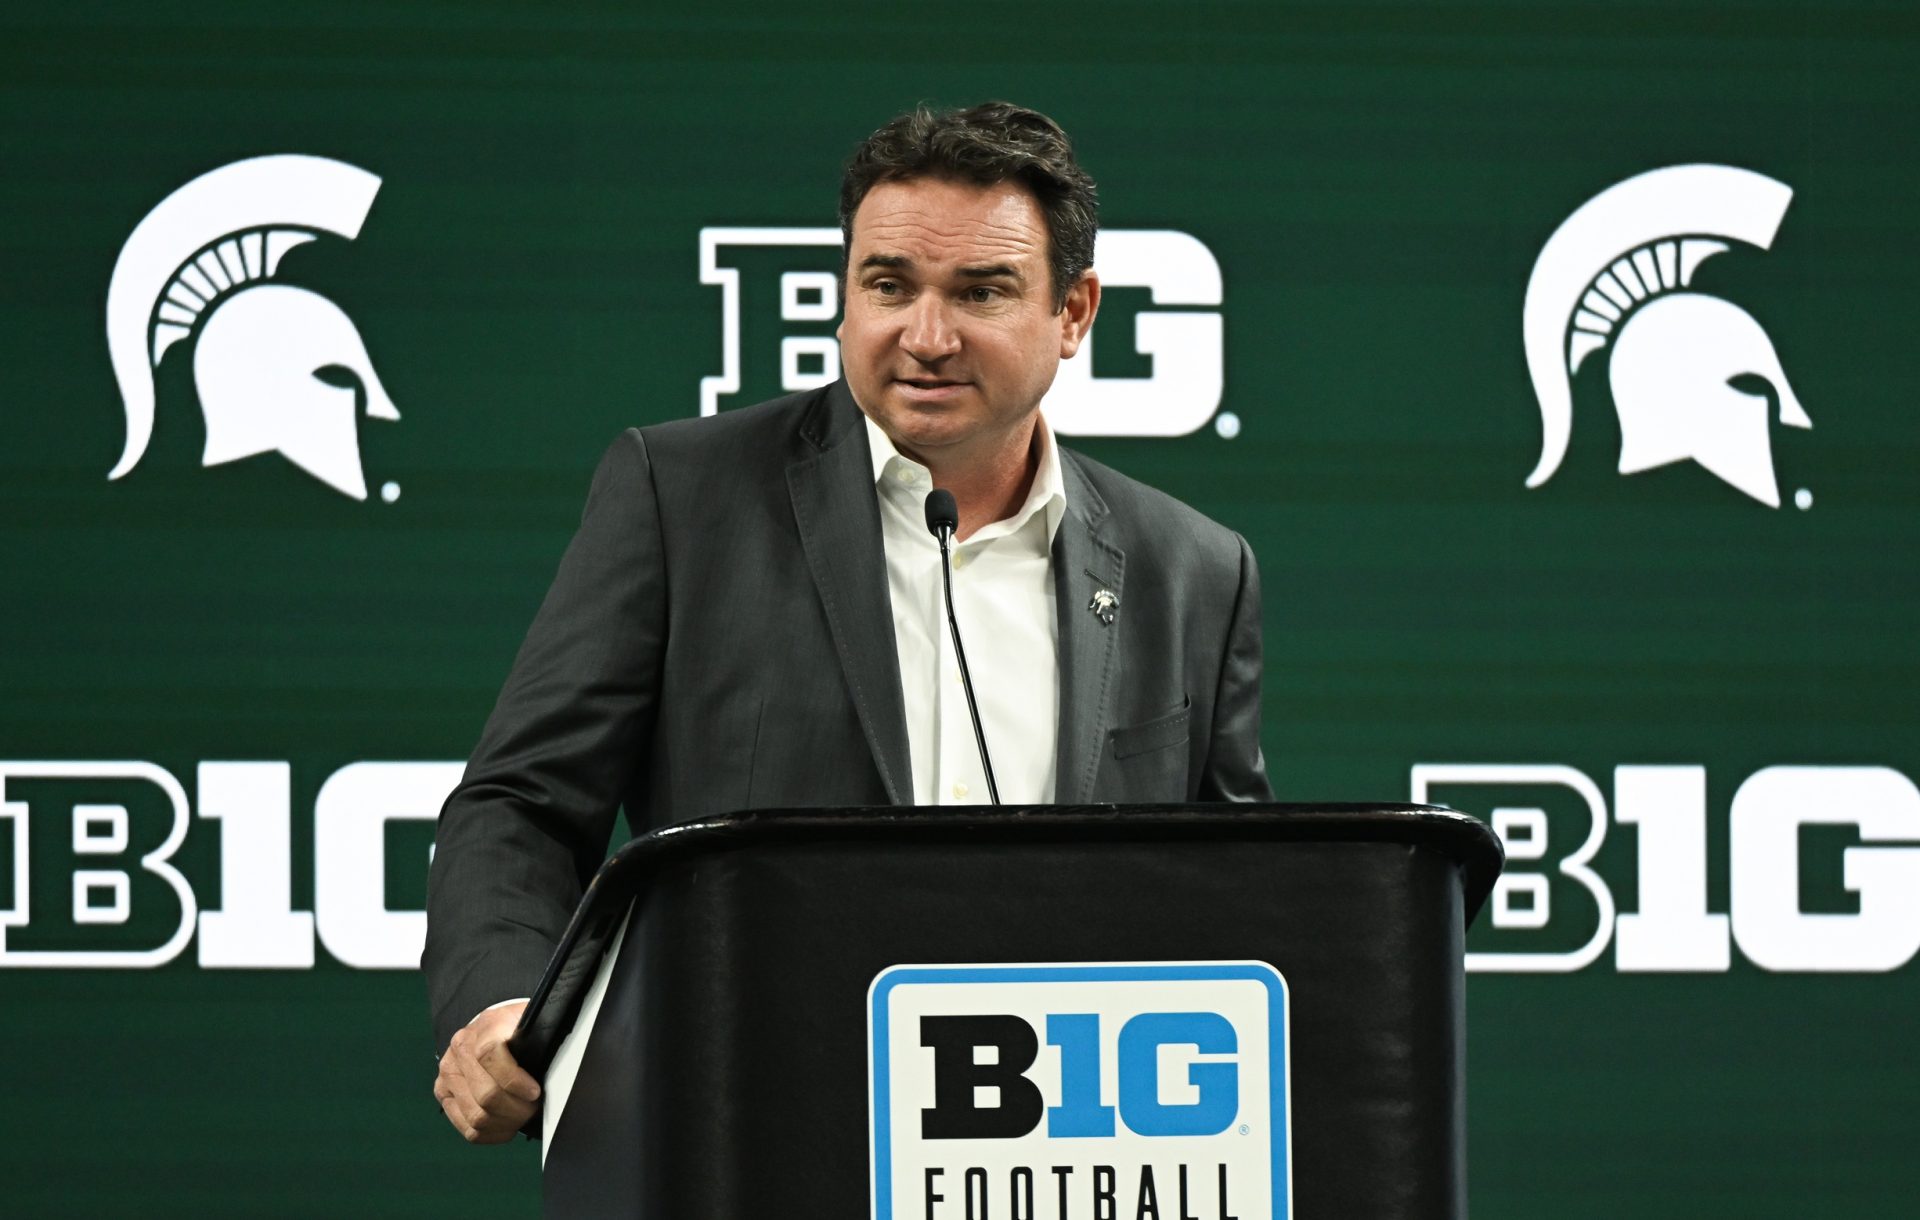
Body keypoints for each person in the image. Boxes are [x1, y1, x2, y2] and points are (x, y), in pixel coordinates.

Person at [424, 101, 1273, 1144]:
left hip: (1069, 1152)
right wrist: (506, 1002)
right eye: (889, 285)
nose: (925, 335)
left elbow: (1241, 893)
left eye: (981, 291)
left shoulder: (1190, 567)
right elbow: (520, 802)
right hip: (760, 1130)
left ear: (1074, 312)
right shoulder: (682, 497)